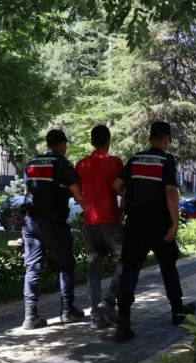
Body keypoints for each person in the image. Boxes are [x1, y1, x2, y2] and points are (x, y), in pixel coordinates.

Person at [112, 121, 196, 342]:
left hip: (134, 225)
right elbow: (171, 192)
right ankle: (177, 311)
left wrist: (130, 196)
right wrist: (175, 222)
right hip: (159, 225)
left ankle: (123, 321)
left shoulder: (136, 159)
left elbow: (117, 185)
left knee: (130, 270)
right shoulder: (167, 161)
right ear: (166, 140)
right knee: (168, 267)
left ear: (150, 139)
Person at [21, 129, 86, 330]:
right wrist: (93, 211)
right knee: (65, 264)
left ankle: (30, 316)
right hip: (53, 223)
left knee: (32, 268)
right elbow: (78, 195)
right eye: (65, 144)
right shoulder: (61, 164)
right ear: (61, 144)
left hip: (30, 223)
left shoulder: (31, 163)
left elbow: (27, 191)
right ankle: (67, 310)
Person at [75, 125, 124, 329]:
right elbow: (122, 189)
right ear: (108, 142)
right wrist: (122, 210)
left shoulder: (81, 164)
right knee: (127, 260)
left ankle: (96, 317)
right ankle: (109, 300)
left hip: (89, 223)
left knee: (94, 270)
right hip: (110, 221)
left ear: (91, 142)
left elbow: (77, 193)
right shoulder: (115, 162)